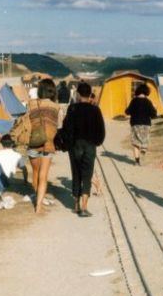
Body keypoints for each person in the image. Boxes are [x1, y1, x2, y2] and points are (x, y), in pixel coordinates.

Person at [61, 82, 105, 217]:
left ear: (78, 94)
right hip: (90, 145)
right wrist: (97, 142)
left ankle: (76, 205)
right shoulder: (95, 110)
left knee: (76, 173)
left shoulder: (72, 108)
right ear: (89, 93)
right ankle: (84, 207)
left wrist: (67, 144)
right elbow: (101, 130)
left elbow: (66, 128)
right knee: (87, 174)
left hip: (75, 145)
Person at [17, 79, 59, 214]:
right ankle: (39, 205)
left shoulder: (31, 104)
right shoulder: (56, 107)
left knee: (35, 172)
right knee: (43, 175)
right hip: (48, 144)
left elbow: (27, 122)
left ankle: (35, 195)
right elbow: (56, 126)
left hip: (33, 143)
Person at [125, 83, 157, 165]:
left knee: (136, 142)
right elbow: (153, 115)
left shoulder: (134, 101)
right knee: (144, 140)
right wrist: (155, 108)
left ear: (138, 91)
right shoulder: (148, 102)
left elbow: (127, 112)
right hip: (146, 124)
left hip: (135, 123)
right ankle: (144, 149)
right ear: (147, 92)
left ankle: (137, 161)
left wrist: (129, 108)